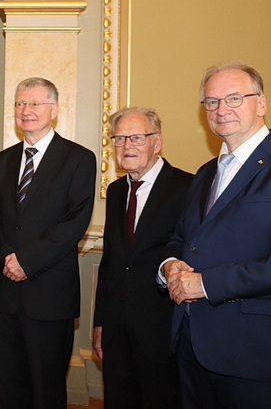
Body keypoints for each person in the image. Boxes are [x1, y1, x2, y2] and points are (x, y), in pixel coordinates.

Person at [161, 61, 271, 407]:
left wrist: (207, 284)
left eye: (234, 98)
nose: (221, 109)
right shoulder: (205, 172)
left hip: (252, 352)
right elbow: (182, 240)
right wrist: (169, 267)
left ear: (261, 103)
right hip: (191, 343)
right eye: (211, 101)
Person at [0, 77, 96, 409]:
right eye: (20, 103)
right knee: (8, 386)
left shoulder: (79, 159)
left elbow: (74, 222)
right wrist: (7, 258)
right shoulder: (3, 160)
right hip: (8, 294)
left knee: (47, 390)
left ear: (54, 109)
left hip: (50, 296)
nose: (26, 110)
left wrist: (26, 261)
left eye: (35, 103)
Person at [93, 107, 192, 408]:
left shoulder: (187, 187)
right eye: (119, 138)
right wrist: (100, 322)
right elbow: (111, 261)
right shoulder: (115, 191)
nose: (127, 145)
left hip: (161, 326)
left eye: (136, 137)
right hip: (116, 326)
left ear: (156, 142)